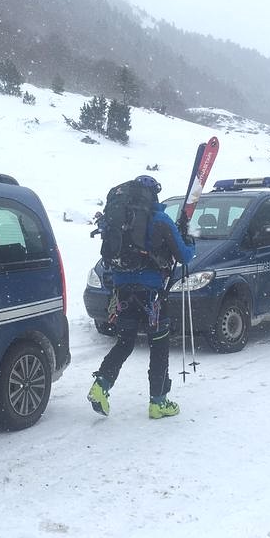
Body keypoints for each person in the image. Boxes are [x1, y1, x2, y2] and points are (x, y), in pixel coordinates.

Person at [88, 175, 195, 419]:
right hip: (152, 296)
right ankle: (158, 402)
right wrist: (188, 240)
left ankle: (101, 385)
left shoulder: (118, 220)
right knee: (159, 345)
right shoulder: (159, 220)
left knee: (125, 343)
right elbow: (185, 255)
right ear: (153, 195)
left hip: (123, 292)